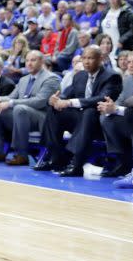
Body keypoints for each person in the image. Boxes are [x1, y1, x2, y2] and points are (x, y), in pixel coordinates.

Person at [36, 46, 122, 176]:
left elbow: (101, 98)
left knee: (89, 112)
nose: (87, 62)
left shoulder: (112, 76)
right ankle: (56, 158)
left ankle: (76, 163)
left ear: (100, 60)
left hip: (100, 122)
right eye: (84, 58)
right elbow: (67, 94)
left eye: (91, 58)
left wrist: (70, 102)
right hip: (79, 120)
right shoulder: (80, 76)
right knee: (54, 110)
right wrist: (55, 100)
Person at [0, 51, 60, 166]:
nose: (29, 63)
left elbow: (39, 102)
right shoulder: (24, 79)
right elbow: (11, 97)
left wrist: (10, 103)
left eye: (33, 60)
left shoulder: (51, 78)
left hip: (42, 117)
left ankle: (22, 154)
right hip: (21, 114)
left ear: (42, 62)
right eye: (27, 60)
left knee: (19, 108)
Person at [97, 50, 133, 178]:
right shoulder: (127, 80)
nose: (130, 65)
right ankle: (122, 161)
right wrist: (110, 106)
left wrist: (116, 108)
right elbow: (121, 101)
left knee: (130, 114)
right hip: (131, 120)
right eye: (129, 62)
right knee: (106, 118)